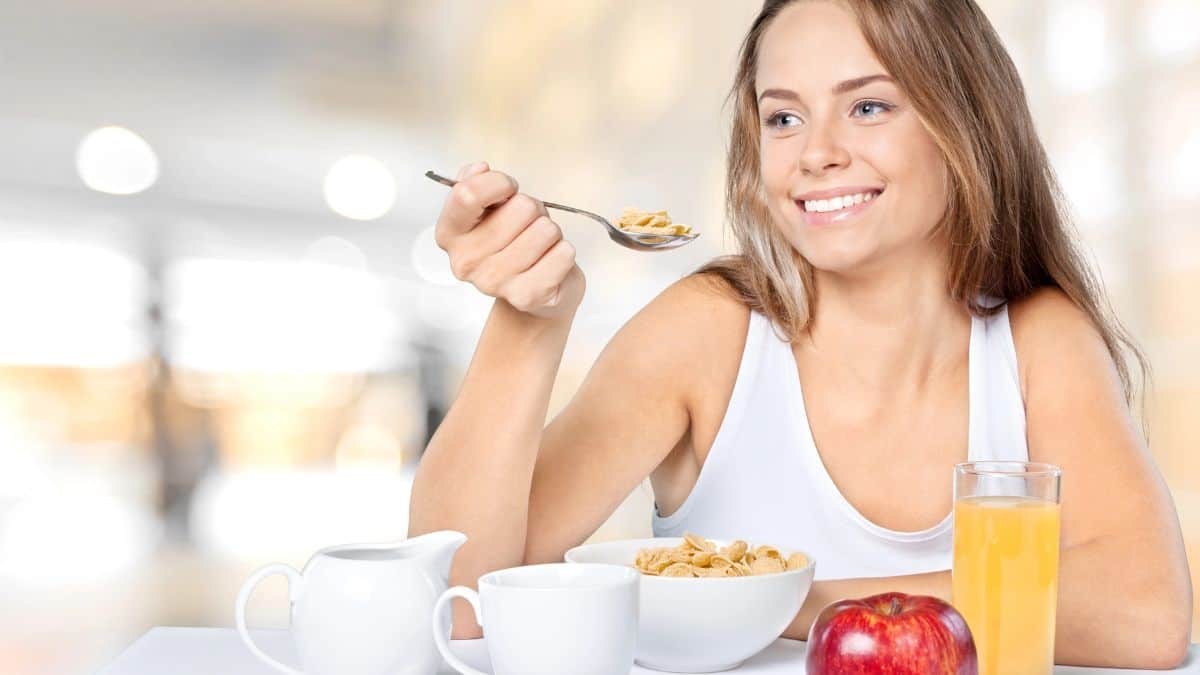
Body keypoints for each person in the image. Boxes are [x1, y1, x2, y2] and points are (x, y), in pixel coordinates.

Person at [409, 0, 1193, 667]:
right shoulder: (707, 334)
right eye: (783, 117)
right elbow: (460, 606)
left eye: (869, 106)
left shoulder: (1037, 342)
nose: (816, 154)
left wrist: (769, 598)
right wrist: (528, 324)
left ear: (966, 124)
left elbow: (1147, 612)